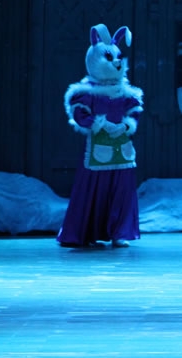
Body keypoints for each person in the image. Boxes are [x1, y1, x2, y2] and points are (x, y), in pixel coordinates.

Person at [57, 24, 143, 248]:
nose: (117, 62)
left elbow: (134, 111)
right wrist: (100, 124)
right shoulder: (87, 92)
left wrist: (125, 126)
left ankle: (119, 232)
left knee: (122, 190)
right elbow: (80, 115)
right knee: (93, 190)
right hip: (98, 149)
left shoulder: (125, 91)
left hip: (121, 149)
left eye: (118, 57)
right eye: (109, 57)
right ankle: (87, 232)